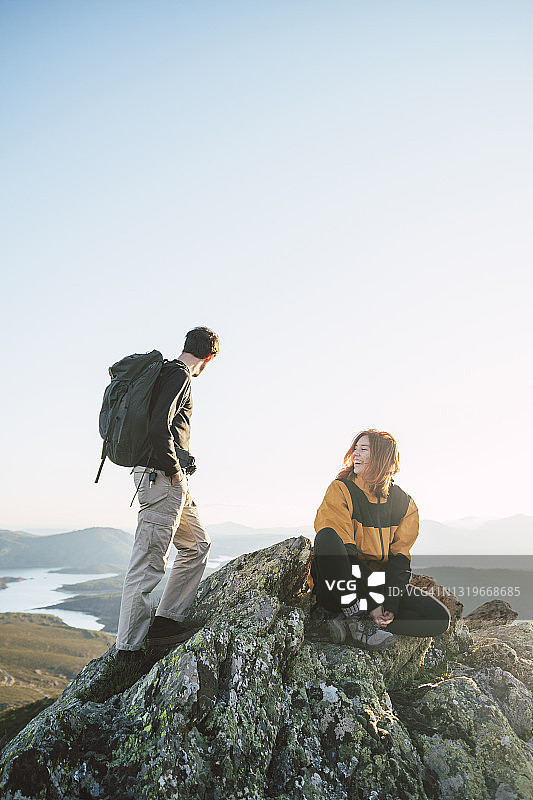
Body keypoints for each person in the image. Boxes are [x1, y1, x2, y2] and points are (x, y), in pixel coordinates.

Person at [115, 327, 219, 661]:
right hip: (163, 478)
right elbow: (160, 425)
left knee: (198, 546)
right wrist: (174, 468)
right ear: (210, 357)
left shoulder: (166, 373)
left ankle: (165, 622)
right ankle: (128, 651)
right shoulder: (180, 375)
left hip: (171, 481)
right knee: (148, 563)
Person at [309, 429, 450, 650]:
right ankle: (356, 620)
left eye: (363, 449)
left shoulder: (405, 504)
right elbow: (347, 555)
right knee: (326, 538)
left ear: (382, 458)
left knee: (439, 618)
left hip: (377, 582)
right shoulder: (341, 489)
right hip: (339, 584)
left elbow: (400, 563)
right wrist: (373, 600)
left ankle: (360, 624)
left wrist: (389, 605)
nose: (355, 454)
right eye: (355, 448)